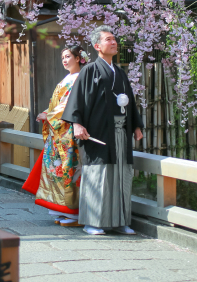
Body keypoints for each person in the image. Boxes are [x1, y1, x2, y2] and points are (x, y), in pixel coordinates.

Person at [62, 25, 144, 235]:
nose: (114, 42)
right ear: (97, 46)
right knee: (98, 175)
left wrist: (135, 125)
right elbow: (76, 99)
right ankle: (93, 222)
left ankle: (120, 221)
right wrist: (77, 124)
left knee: (121, 175)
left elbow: (130, 102)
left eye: (114, 39)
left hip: (120, 132)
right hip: (97, 133)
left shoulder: (120, 73)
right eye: (109, 39)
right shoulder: (89, 70)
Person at [22, 45, 89, 226]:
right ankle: (58, 209)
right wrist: (47, 113)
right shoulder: (67, 78)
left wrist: (49, 116)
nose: (65, 60)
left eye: (68, 56)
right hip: (57, 131)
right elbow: (56, 104)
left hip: (68, 131)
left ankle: (73, 212)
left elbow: (71, 104)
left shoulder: (80, 78)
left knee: (68, 170)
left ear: (78, 58)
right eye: (63, 58)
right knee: (56, 171)